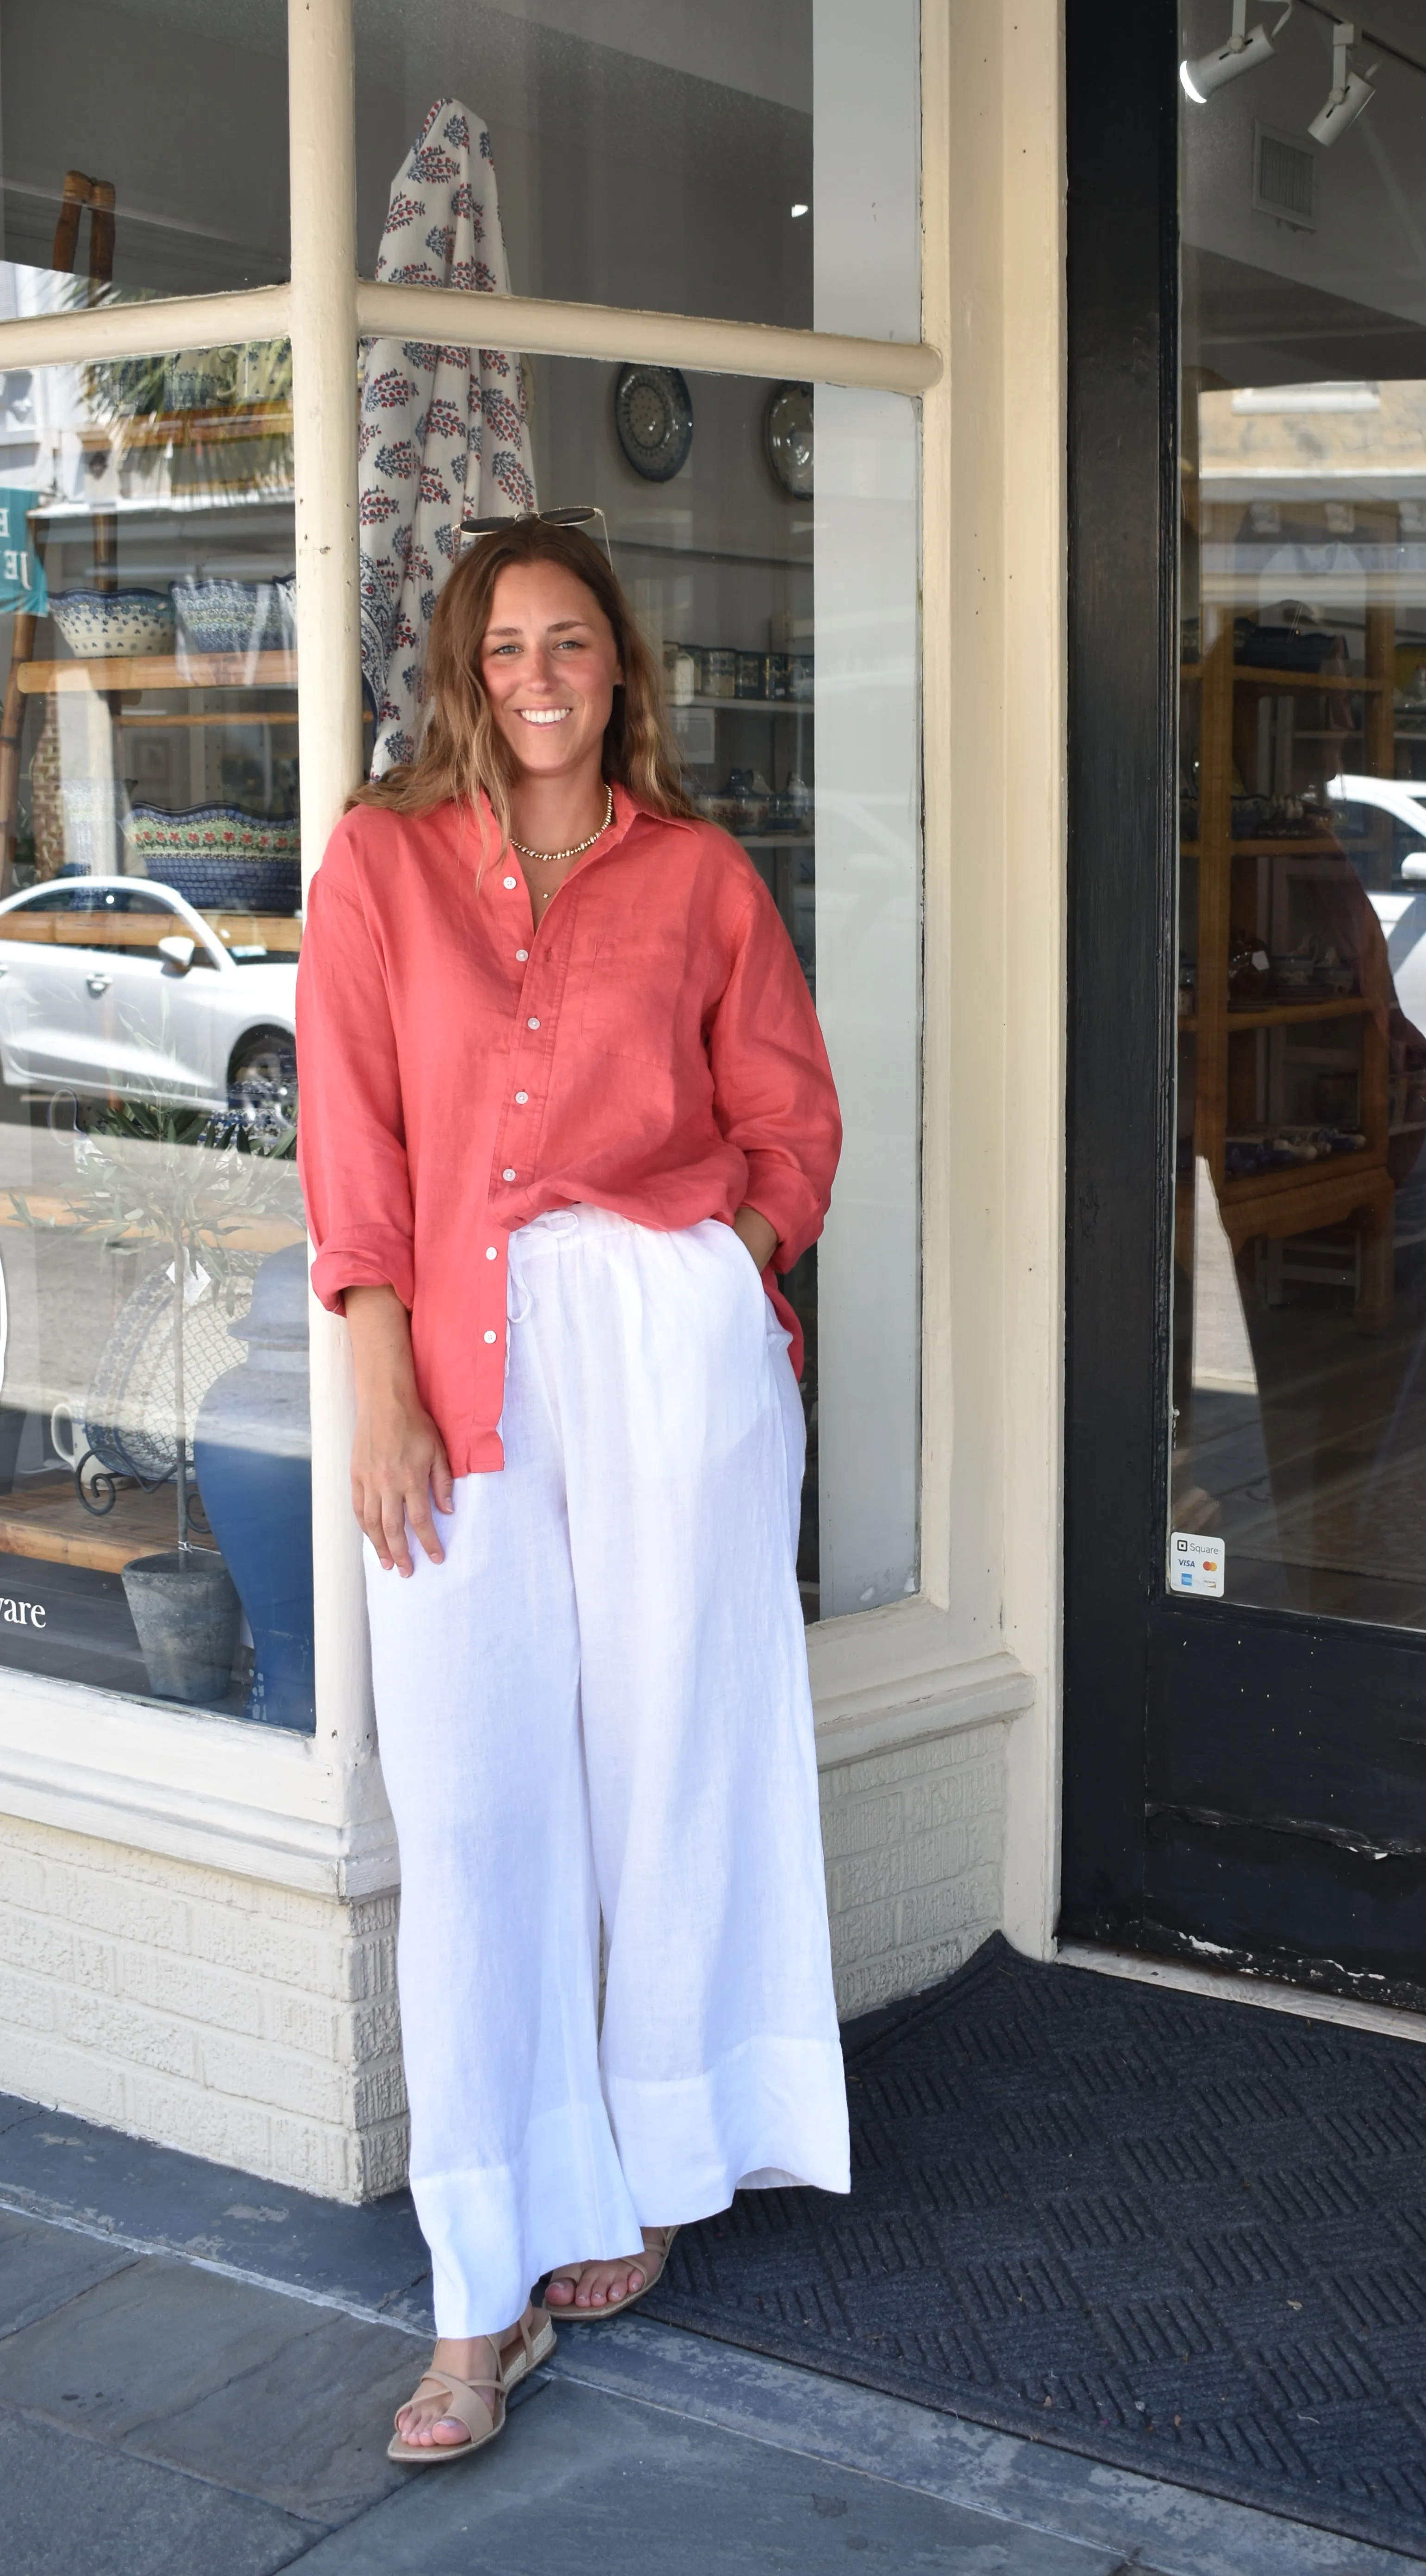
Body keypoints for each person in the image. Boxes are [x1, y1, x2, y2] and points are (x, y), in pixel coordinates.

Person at [297, 517, 848, 2463]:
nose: (540, 676)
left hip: (668, 1357)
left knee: (675, 1756)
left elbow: (789, 1108)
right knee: (476, 1812)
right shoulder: (375, 864)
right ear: (465, 669)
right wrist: (377, 1372)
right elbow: (351, 1135)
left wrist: (729, 1275)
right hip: (451, 1369)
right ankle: (477, 2289)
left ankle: (659, 2155)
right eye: (506, 646)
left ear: (620, 668)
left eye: (573, 644)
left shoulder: (698, 878)